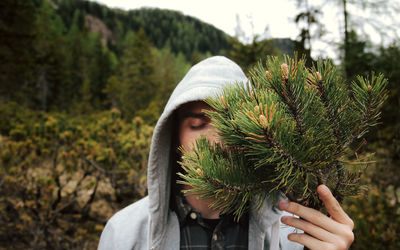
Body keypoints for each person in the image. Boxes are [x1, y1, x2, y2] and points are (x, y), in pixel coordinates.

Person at [98, 56, 354, 250]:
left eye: (230, 125)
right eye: (198, 124)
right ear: (173, 135)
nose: (216, 141)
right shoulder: (124, 233)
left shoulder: (296, 235)